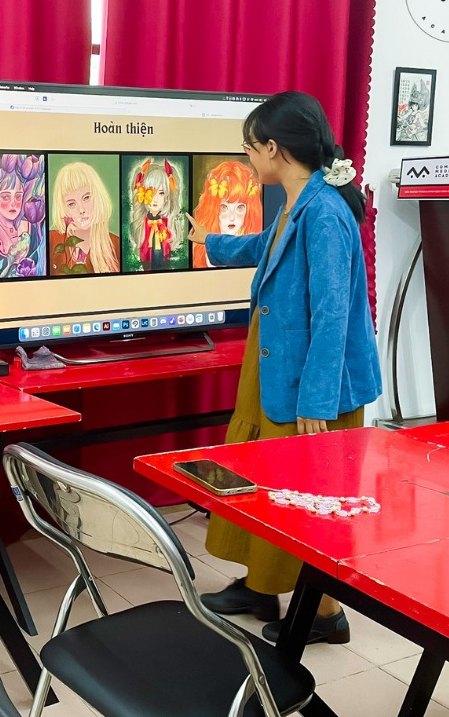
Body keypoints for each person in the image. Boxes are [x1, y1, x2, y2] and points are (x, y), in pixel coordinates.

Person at [186, 91, 382, 645]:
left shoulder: (325, 213)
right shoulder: (301, 199)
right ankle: (260, 586)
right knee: (260, 476)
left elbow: (334, 314)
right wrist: (210, 241)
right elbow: (267, 247)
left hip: (312, 379)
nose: (248, 159)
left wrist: (316, 400)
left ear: (273, 149)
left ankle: (324, 615)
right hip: (276, 362)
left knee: (306, 492)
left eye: (250, 148)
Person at [48, 161, 121, 275]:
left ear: (98, 197)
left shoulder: (116, 245)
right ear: (62, 208)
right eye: (71, 204)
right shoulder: (51, 241)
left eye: (86, 198)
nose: (81, 210)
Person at [192, 160, 264, 267]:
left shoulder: (256, 245)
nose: (232, 217)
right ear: (213, 209)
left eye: (240, 207)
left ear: (249, 210)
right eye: (224, 207)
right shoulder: (201, 249)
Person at [128, 158, 186, 270]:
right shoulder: (142, 224)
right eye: (151, 192)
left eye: (161, 193)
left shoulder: (168, 224)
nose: (155, 199)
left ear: (167, 197)